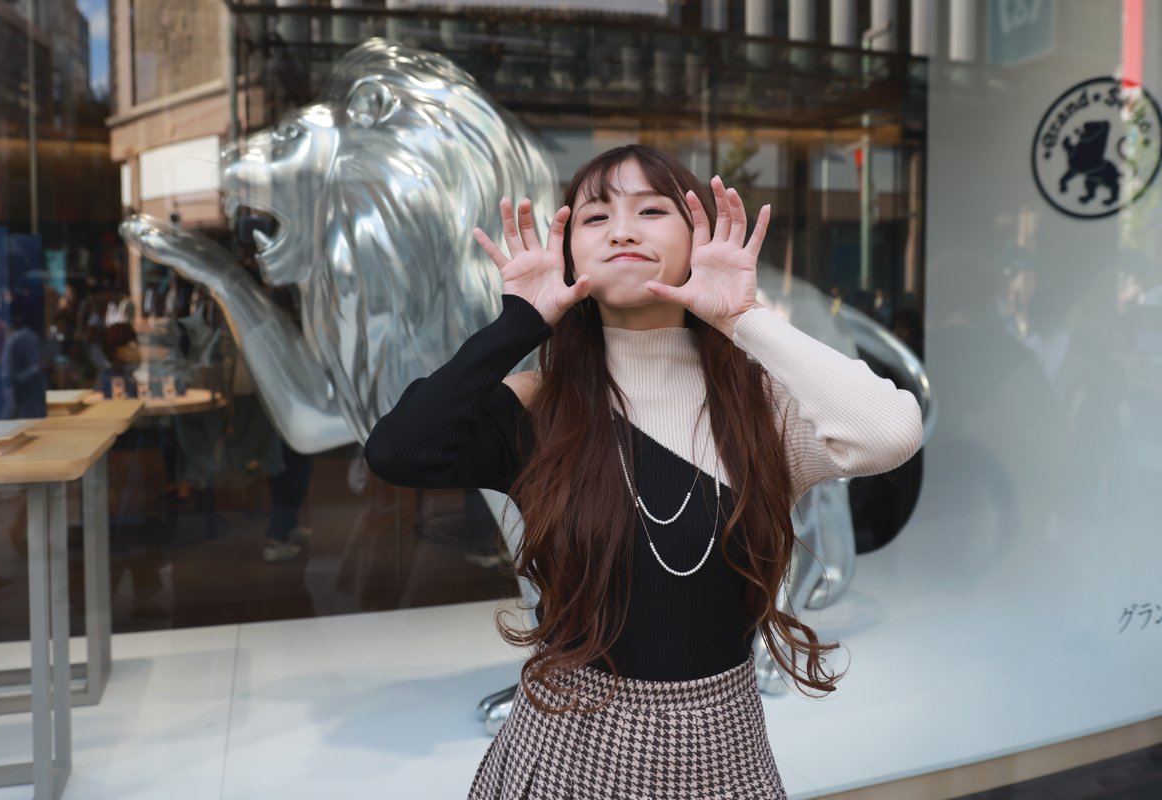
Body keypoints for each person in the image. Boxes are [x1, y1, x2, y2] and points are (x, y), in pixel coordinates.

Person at [365, 145, 923, 799]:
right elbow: (398, 450)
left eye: (652, 210)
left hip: (723, 751)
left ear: (699, 239)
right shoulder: (539, 402)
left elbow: (889, 434)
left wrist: (744, 318)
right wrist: (521, 320)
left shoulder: (758, 404)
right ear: (570, 253)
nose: (623, 229)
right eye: (596, 217)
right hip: (563, 753)